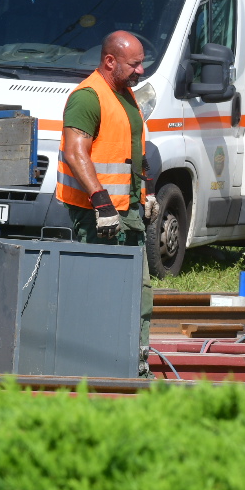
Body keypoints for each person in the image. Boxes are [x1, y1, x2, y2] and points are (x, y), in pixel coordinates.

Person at [56, 31, 157, 375]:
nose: (141, 70)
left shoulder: (125, 95)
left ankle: (135, 364)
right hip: (99, 215)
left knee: (138, 290)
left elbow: (130, 149)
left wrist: (146, 192)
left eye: (141, 63)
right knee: (100, 291)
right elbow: (75, 153)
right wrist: (101, 204)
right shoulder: (87, 97)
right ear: (110, 61)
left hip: (127, 210)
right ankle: (95, 366)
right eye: (134, 64)